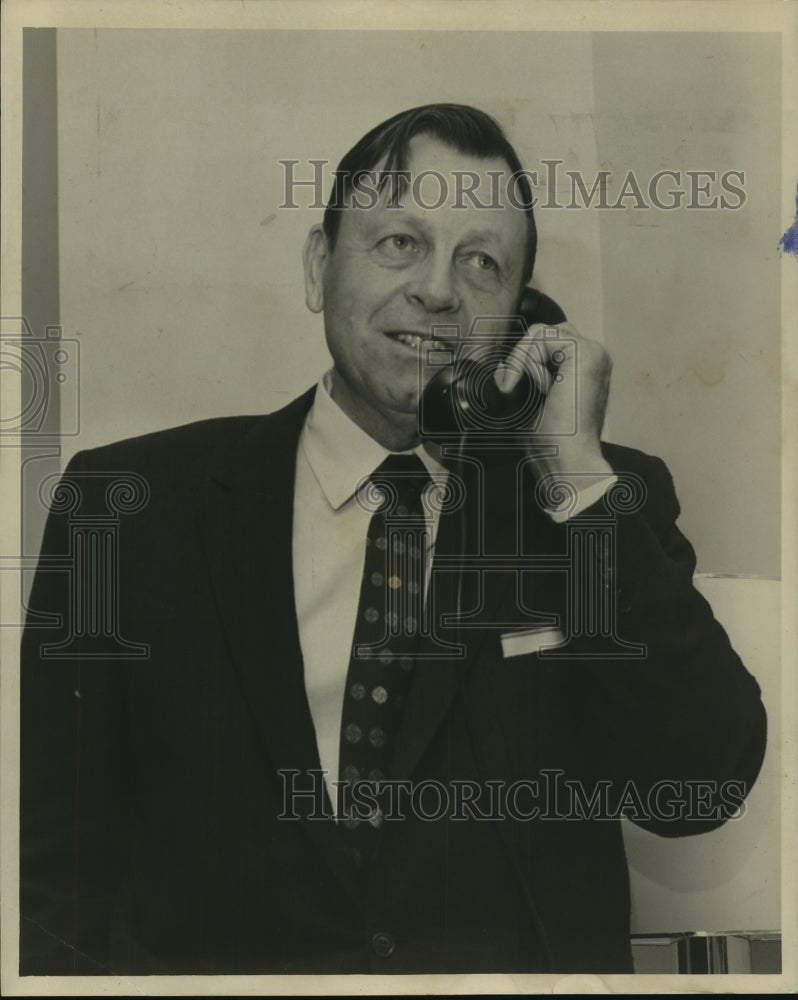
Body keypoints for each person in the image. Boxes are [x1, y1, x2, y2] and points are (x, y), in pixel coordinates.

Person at [19, 103, 767, 976]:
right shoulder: (129, 506)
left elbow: (702, 782)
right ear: (317, 265)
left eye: (481, 263)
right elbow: (51, 876)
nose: (439, 290)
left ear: (519, 318)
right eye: (400, 242)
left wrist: (574, 481)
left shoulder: (587, 498)